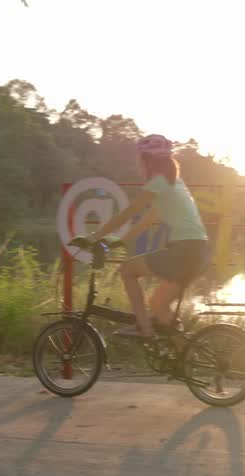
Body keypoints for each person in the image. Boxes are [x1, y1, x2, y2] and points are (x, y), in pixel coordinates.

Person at [86, 134, 211, 339]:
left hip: (184, 251)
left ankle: (143, 328)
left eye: (140, 160)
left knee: (127, 270)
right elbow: (145, 222)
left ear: (147, 160)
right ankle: (185, 358)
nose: (138, 165)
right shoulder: (174, 183)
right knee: (158, 305)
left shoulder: (159, 183)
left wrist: (96, 236)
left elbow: (128, 213)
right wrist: (119, 242)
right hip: (199, 252)